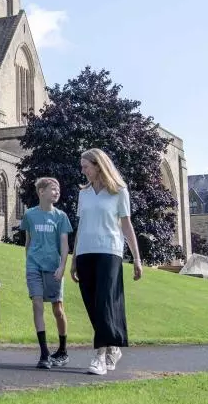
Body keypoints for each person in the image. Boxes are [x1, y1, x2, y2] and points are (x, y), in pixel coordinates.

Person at [70, 148, 143, 376]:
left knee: (104, 302)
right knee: (92, 304)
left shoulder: (119, 191)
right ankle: (112, 347)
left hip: (109, 251)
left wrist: (137, 258)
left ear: (98, 165)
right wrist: (74, 258)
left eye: (86, 167)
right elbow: (81, 225)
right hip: (85, 252)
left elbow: (126, 226)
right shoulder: (84, 193)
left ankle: (99, 356)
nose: (83, 171)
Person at [20, 177, 72, 369]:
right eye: (53, 188)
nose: (57, 192)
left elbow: (64, 245)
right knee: (37, 304)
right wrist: (29, 263)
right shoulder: (30, 215)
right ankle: (44, 353)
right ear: (41, 192)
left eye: (58, 189)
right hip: (34, 267)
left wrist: (62, 267)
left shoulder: (61, 217)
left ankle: (63, 350)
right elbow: (28, 242)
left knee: (57, 309)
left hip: (53, 268)